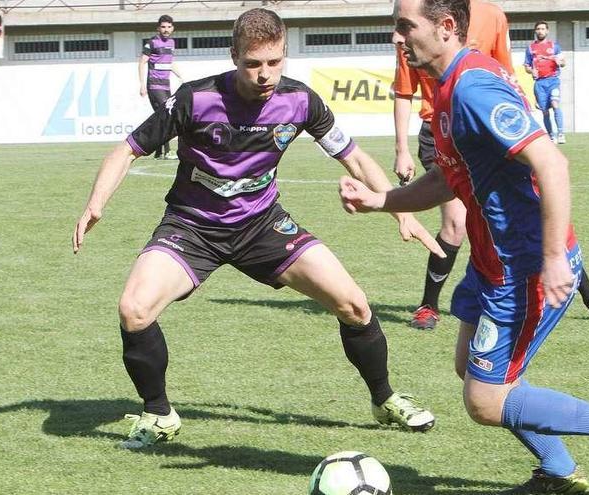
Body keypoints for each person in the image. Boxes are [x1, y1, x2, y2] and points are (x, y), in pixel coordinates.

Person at [74, 8, 441, 449]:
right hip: (192, 228)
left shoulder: (301, 101)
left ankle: (384, 400)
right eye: (253, 64)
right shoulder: (195, 98)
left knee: (354, 305)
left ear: (284, 56)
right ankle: (159, 414)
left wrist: (400, 210)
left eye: (274, 62)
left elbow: (355, 158)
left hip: (263, 225)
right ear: (234, 57)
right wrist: (96, 203)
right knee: (134, 309)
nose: (265, 74)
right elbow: (125, 151)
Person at [340, 1, 589, 494]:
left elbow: (552, 164)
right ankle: (558, 473)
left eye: (406, 27)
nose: (397, 39)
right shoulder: (447, 86)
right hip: (492, 261)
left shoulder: (472, 87)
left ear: (446, 28)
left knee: (486, 401)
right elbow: (450, 179)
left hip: (525, 266)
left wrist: (555, 258)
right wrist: (381, 200)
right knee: (468, 366)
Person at [394, 4, 589, 330]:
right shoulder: (415, 22)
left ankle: (585, 292)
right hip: (439, 130)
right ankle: (428, 306)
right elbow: (404, 91)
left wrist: (522, 124)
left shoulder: (491, 16)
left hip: (484, 125)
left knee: (526, 208)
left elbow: (505, 72)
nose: (396, 37)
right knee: (457, 223)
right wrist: (401, 149)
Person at [139, 15, 184, 159]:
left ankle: (158, 152)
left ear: (173, 28)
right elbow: (141, 63)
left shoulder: (171, 43)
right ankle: (167, 151)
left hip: (166, 85)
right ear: (158, 28)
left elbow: (169, 63)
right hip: (154, 85)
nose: (166, 30)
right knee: (167, 114)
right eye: (163, 27)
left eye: (169, 27)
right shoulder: (152, 42)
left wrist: (181, 76)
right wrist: (142, 85)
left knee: (161, 116)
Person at [524, 21, 566, 144]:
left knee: (555, 104)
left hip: (553, 80)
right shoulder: (530, 48)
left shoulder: (554, 46)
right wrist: (531, 71)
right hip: (539, 83)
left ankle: (561, 133)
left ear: (547, 31)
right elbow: (527, 66)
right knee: (545, 111)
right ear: (535, 31)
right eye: (538, 29)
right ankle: (551, 136)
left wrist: (560, 62)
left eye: (543, 29)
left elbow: (563, 62)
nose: (540, 31)